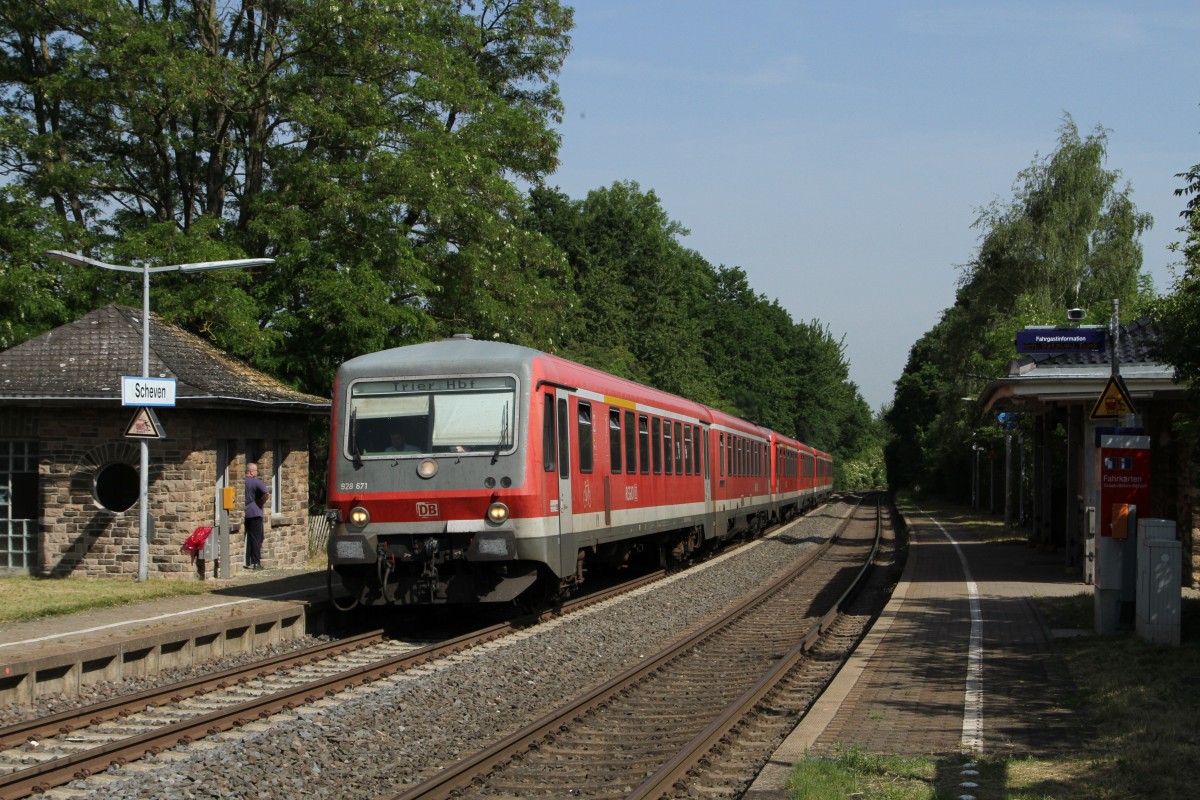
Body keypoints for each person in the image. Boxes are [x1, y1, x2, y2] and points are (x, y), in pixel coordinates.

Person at [244, 462, 270, 570]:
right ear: (251, 472)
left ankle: (246, 560)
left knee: (245, 537)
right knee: (256, 538)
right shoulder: (256, 482)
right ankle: (255, 563)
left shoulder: (241, 482)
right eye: (256, 470)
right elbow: (266, 493)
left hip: (244, 512)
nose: (257, 472)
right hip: (255, 513)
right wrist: (261, 502)